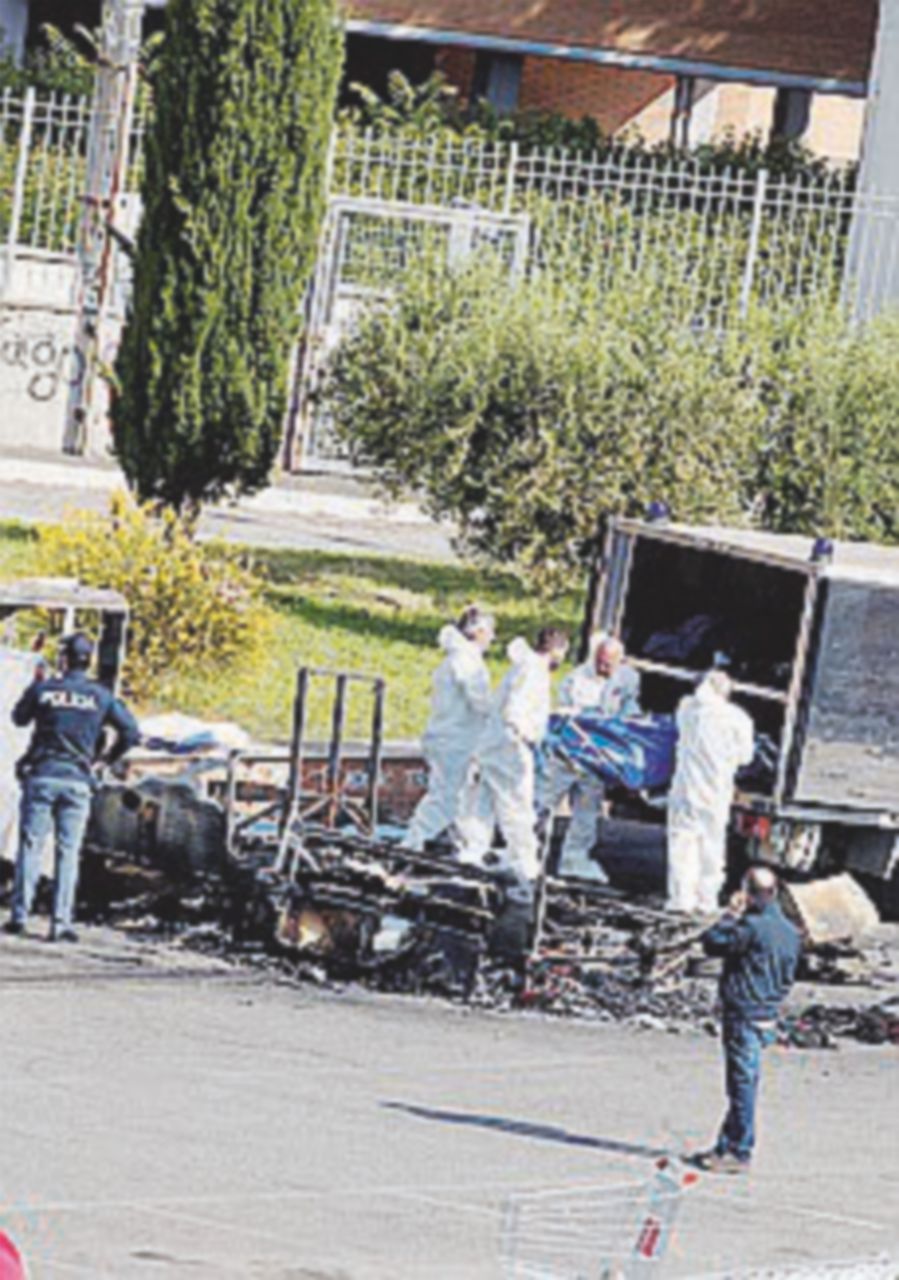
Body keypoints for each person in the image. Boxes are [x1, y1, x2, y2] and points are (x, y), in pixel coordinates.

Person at [4, 632, 140, 943]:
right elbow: (131, 733)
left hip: (42, 775)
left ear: (64, 658)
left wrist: (38, 685)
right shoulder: (100, 696)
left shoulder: (46, 689)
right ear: (88, 660)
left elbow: (18, 719)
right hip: (78, 780)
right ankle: (61, 924)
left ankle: (20, 917)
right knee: (69, 852)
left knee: (31, 847)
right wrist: (103, 761)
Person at [694, 866, 802, 1173]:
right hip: (767, 1012)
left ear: (750, 894)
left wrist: (729, 914)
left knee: (742, 1085)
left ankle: (740, 1150)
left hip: (745, 1013)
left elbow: (712, 942)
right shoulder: (790, 932)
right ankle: (726, 1145)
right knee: (745, 1081)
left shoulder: (751, 927)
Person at [457, 627, 570, 896]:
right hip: (511, 747)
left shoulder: (527, 667)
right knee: (517, 806)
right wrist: (529, 741)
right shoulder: (533, 671)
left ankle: (471, 851)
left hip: (495, 744)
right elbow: (515, 712)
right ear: (557, 649)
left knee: (482, 802)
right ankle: (525, 864)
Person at [539, 634, 641, 882]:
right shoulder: (577, 680)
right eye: (600, 662)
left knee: (587, 810)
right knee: (543, 802)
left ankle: (574, 858)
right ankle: (525, 850)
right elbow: (575, 718)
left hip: (597, 757)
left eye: (609, 664)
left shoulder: (628, 677)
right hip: (570, 753)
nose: (603, 668)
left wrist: (632, 721)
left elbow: (627, 704)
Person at [402, 606, 495, 852]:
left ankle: (463, 847)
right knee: (445, 797)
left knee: (461, 798)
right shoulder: (465, 660)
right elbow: (480, 700)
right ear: (478, 631)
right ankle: (412, 843)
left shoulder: (459, 657)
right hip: (454, 739)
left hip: (454, 737)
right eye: (490, 632)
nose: (492, 638)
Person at [666, 670, 754, 916]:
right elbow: (746, 758)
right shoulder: (738, 718)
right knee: (712, 847)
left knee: (683, 845)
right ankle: (706, 900)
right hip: (716, 793)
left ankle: (681, 900)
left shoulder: (686, 710)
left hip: (685, 790)